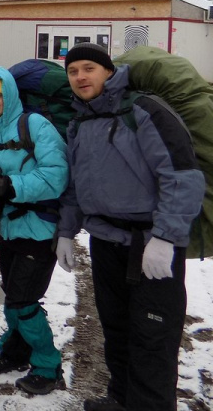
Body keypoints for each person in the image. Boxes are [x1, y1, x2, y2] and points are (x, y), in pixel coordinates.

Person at [55, 42, 204, 411]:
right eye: (73, 71)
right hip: (105, 241)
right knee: (117, 329)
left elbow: (181, 176)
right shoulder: (80, 121)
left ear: (108, 71)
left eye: (88, 68)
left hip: (151, 244)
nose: (80, 77)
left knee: (153, 336)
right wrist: (66, 231)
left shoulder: (144, 111)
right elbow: (76, 185)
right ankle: (121, 399)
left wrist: (166, 238)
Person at [0, 67, 68, 395]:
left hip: (40, 227)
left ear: (9, 94)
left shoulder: (35, 125)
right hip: (9, 226)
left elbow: (57, 174)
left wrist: (10, 185)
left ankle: (48, 365)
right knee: (12, 295)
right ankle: (15, 351)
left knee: (23, 301)